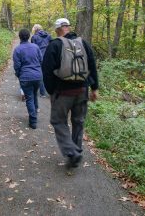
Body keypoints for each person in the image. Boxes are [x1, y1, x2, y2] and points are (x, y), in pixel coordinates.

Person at [42, 18, 98, 167]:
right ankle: (76, 151)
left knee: (58, 121)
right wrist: (94, 88)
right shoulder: (83, 43)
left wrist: (51, 91)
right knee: (78, 122)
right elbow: (92, 65)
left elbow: (46, 71)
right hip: (82, 91)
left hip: (62, 93)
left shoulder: (54, 45)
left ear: (58, 29)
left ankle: (72, 152)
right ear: (68, 27)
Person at [13, 29, 43, 129]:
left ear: (19, 37)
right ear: (29, 36)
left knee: (29, 98)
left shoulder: (18, 50)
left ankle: (33, 121)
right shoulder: (36, 47)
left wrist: (19, 75)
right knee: (34, 94)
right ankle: (35, 111)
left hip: (25, 77)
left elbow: (17, 66)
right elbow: (41, 60)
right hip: (38, 76)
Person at [31, 24, 52, 97]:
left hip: (39, 58)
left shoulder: (34, 37)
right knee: (48, 74)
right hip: (49, 57)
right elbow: (52, 46)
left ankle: (42, 93)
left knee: (40, 74)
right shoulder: (49, 36)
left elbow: (33, 49)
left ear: (35, 29)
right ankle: (50, 92)